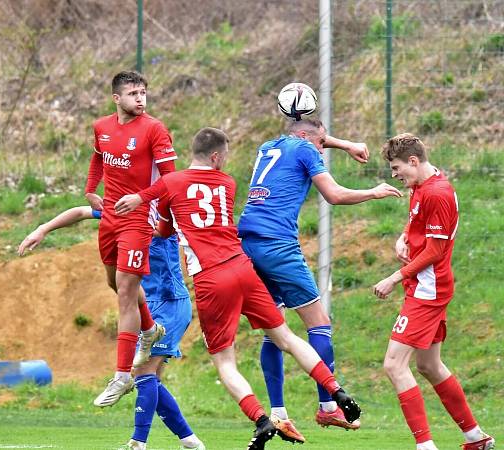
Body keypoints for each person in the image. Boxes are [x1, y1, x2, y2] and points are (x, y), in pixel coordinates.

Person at [115, 127, 362, 450]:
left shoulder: (171, 183)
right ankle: (336, 390)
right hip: (242, 266)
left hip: (211, 279)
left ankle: (261, 419)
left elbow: (162, 224)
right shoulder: (227, 183)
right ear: (216, 157)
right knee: (286, 337)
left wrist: (151, 220)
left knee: (225, 362)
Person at [236, 117, 401, 434]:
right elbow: (335, 194)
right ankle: (328, 406)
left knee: (275, 329)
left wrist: (346, 144)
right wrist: (374, 191)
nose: (322, 150)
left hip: (247, 244)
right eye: (322, 144)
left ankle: (279, 413)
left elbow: (309, 136)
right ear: (306, 137)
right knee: (319, 324)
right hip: (277, 245)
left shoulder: (269, 146)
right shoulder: (305, 148)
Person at [18, 207, 205, 450]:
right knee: (150, 380)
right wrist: (43, 229)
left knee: (142, 373)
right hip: (147, 305)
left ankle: (137, 443)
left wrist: (128, 226)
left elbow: (162, 230)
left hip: (169, 302)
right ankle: (190, 441)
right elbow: (81, 212)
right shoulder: (126, 206)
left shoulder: (162, 212)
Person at [373, 134, 495, 450]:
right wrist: (402, 238)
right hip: (426, 286)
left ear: (414, 161)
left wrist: (393, 278)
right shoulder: (422, 186)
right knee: (429, 366)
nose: (395, 174)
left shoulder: (438, 193)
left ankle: (425, 447)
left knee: (394, 365)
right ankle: (476, 438)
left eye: (397, 167)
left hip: (427, 291)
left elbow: (435, 251)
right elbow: (417, 225)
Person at [85, 70, 176, 407]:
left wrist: (141, 198)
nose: (141, 98)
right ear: (116, 99)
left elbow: (172, 180)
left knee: (125, 291)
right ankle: (150, 329)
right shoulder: (102, 127)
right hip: (110, 215)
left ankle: (122, 376)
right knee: (116, 283)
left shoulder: (155, 129)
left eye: (144, 93)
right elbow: (98, 158)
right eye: (134, 93)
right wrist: (90, 190)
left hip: (140, 217)